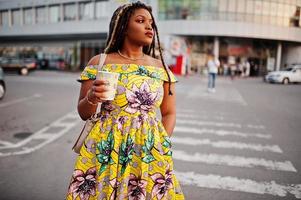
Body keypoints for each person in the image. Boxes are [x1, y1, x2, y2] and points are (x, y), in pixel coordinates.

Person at [66, 2, 185, 200]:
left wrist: (160, 142)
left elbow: (169, 112)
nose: (149, 27)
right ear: (123, 27)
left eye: (151, 23)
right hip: (105, 147)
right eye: (140, 21)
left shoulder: (161, 68)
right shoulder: (99, 62)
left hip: (147, 150)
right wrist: (92, 97)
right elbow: (83, 112)